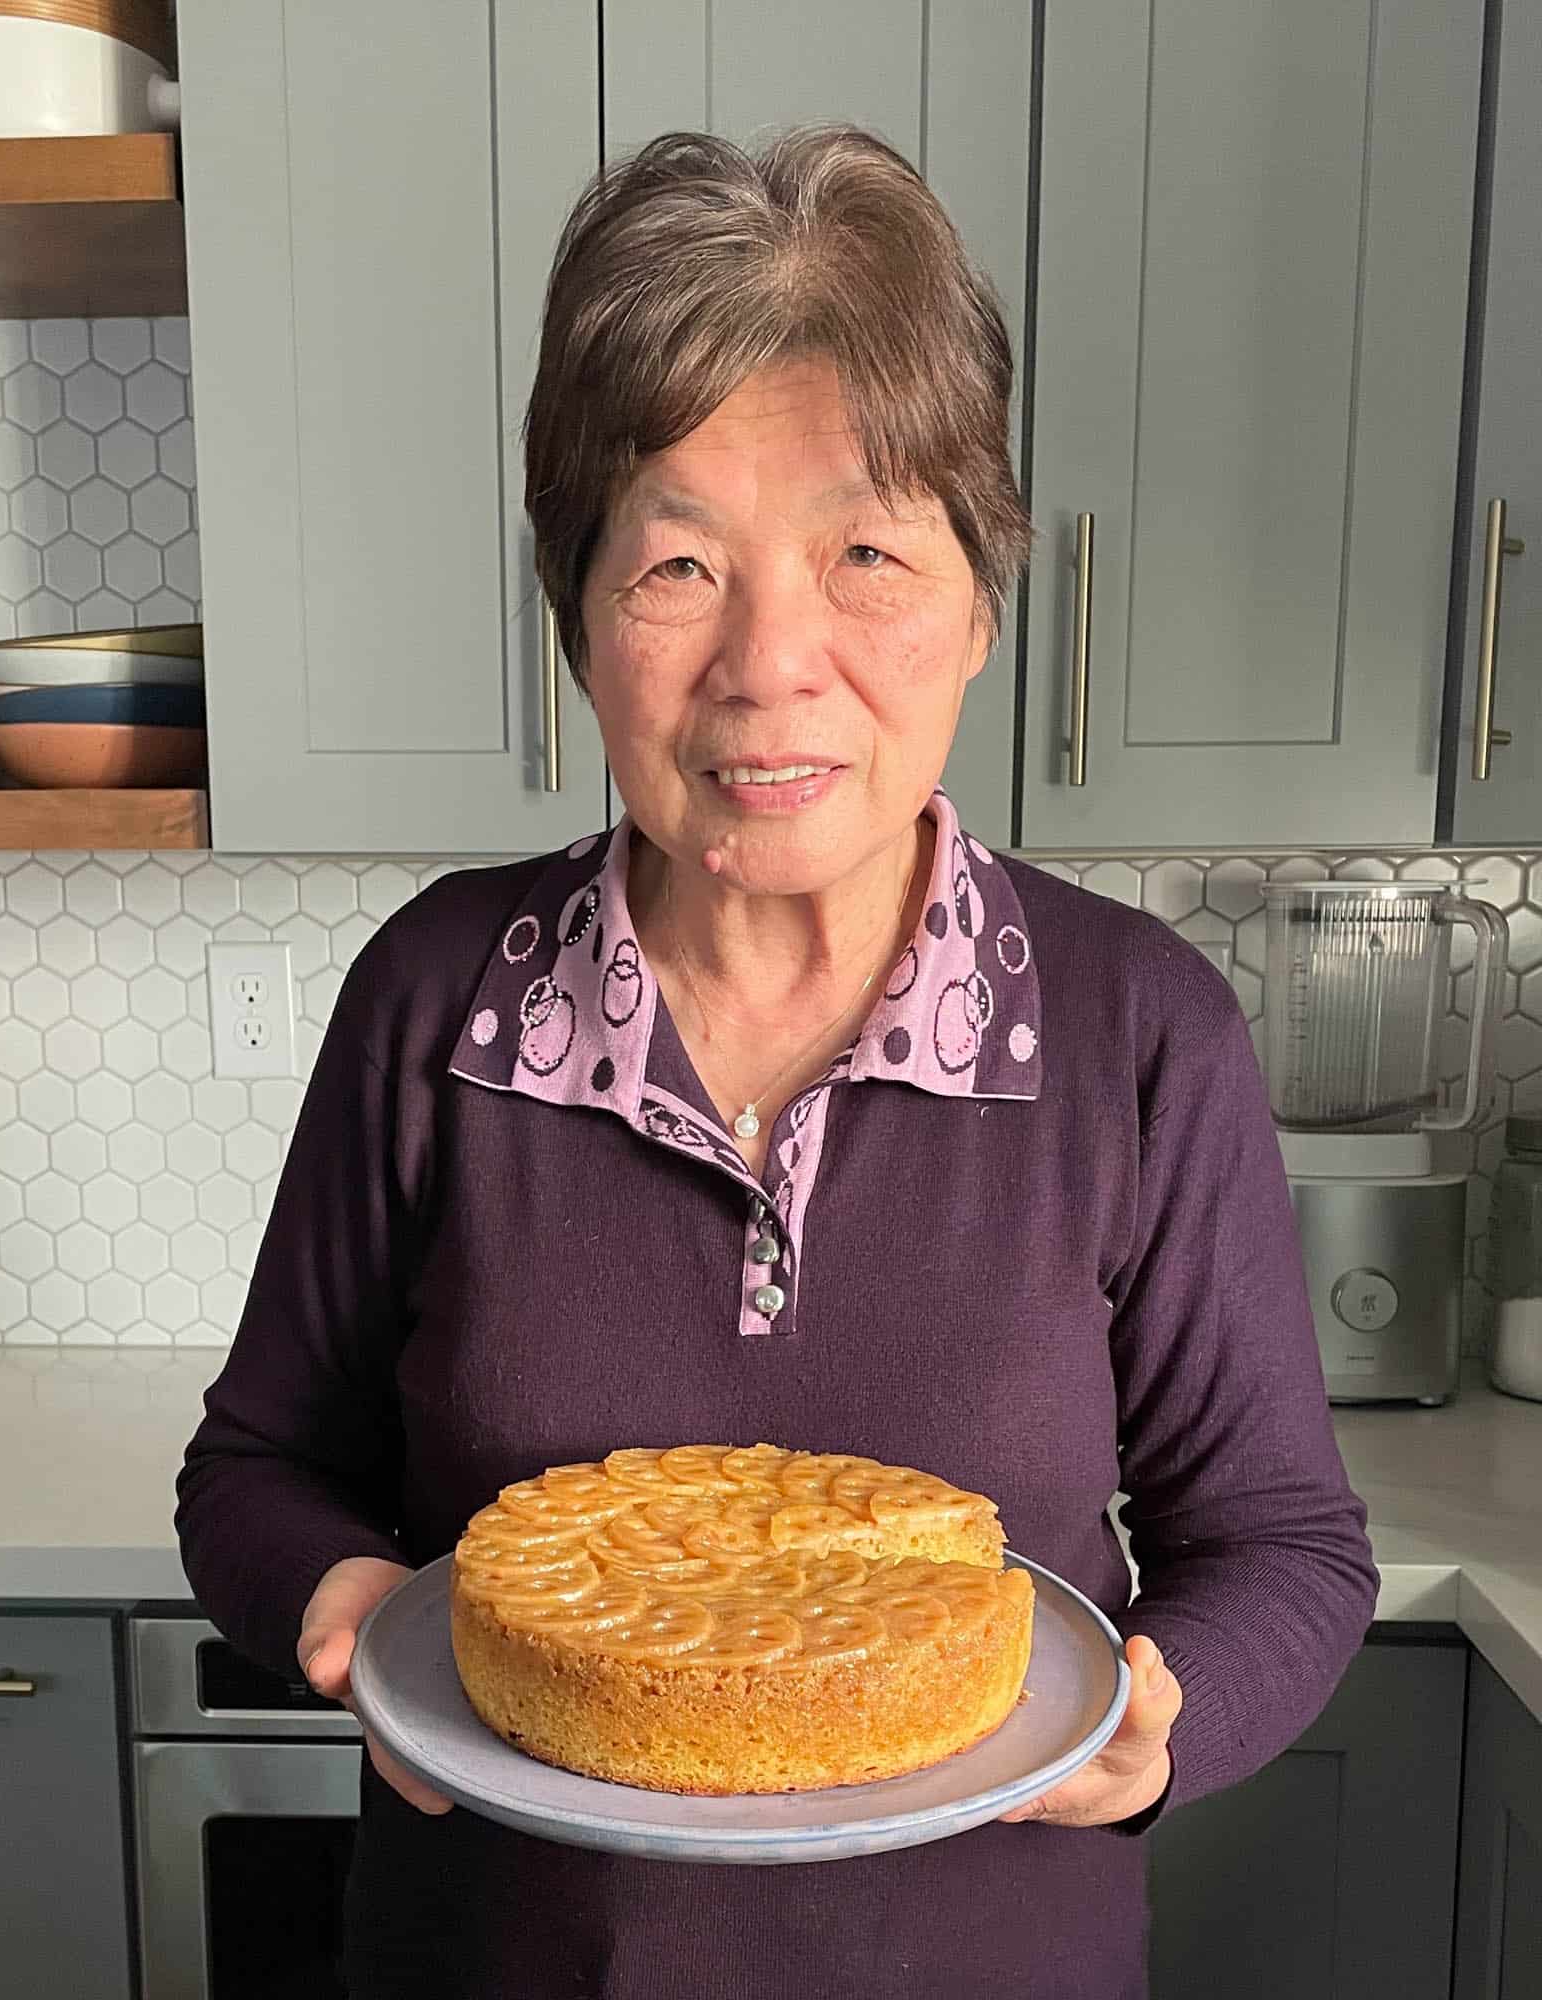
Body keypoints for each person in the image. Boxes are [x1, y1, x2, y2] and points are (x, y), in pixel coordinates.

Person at [176, 125, 1378, 1999]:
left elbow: (1286, 1548)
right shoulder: (438, 1003)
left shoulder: (1138, 1033)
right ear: (578, 618)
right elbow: (256, 1467)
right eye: (675, 565)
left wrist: (1163, 1721)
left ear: (984, 603)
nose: (773, 661)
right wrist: (348, 1614)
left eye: (868, 552)